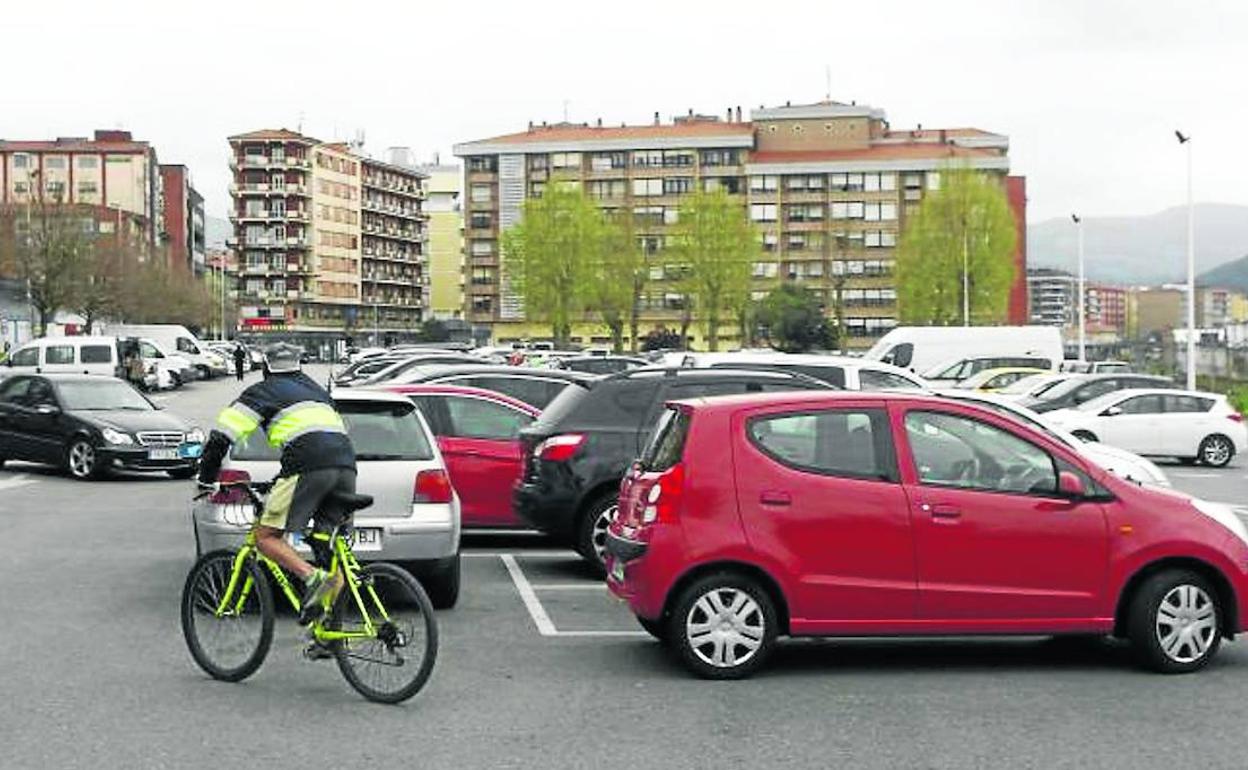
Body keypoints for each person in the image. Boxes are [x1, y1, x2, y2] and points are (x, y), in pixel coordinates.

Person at [197, 342, 357, 625]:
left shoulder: (262, 392)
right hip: (346, 466)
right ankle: (329, 631)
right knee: (326, 548)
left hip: (308, 466)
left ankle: (311, 578)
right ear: (299, 365)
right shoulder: (318, 391)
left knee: (265, 537)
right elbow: (324, 436)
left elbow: (221, 437)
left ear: (265, 367)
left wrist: (206, 479)